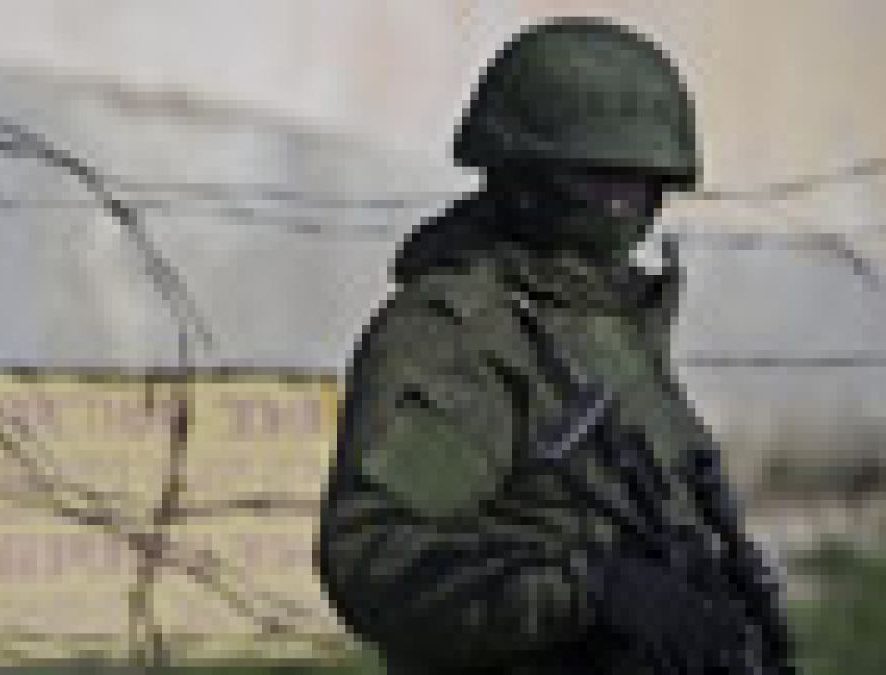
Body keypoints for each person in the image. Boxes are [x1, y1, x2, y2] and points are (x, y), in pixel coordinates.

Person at [316, 17, 794, 674]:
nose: (621, 202)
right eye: (595, 178)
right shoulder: (468, 335)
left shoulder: (606, 323)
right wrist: (589, 592)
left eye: (639, 179)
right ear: (522, 177)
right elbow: (376, 557)